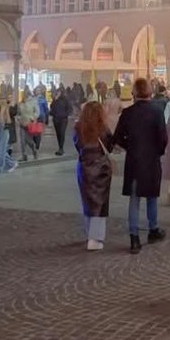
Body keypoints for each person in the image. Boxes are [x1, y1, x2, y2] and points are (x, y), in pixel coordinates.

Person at [112, 77, 168, 253]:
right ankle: (153, 229)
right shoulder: (157, 111)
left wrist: (131, 147)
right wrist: (157, 151)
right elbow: (163, 139)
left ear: (134, 92)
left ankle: (134, 237)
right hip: (151, 160)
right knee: (152, 197)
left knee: (134, 200)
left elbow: (117, 137)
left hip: (134, 161)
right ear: (150, 91)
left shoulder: (128, 113)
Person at [74, 101, 115, 249]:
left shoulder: (79, 127)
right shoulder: (102, 128)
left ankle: (89, 233)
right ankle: (95, 238)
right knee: (100, 203)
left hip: (84, 166)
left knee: (88, 201)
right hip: (101, 168)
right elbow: (110, 146)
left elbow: (77, 145)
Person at [0, 93, 18, 176]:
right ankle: (12, 163)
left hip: (4, 130)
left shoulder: (5, 108)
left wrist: (2, 115)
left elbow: (8, 121)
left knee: (1, 150)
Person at [18, 88, 42, 159]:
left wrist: (33, 118)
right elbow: (19, 113)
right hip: (22, 123)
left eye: (25, 93)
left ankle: (34, 150)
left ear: (28, 94)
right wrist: (18, 118)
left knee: (29, 140)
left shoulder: (33, 101)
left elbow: (37, 112)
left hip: (30, 123)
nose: (24, 95)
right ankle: (24, 155)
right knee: (22, 140)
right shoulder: (21, 103)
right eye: (23, 93)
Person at [51, 87, 71, 155]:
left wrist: (65, 114)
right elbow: (51, 107)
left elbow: (69, 108)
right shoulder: (55, 99)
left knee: (62, 133)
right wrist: (55, 100)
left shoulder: (65, 100)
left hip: (63, 119)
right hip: (56, 119)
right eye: (57, 92)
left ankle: (61, 148)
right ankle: (60, 147)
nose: (58, 93)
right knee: (58, 134)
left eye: (59, 92)